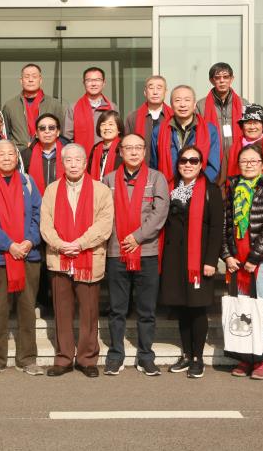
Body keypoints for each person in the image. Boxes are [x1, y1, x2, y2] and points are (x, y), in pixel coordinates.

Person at [40, 144, 113, 378]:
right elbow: (45, 224)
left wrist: (80, 243)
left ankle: (87, 358)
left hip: (88, 258)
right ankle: (63, 358)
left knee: (89, 312)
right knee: (62, 312)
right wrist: (61, 244)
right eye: (68, 160)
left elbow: (104, 224)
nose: (73, 164)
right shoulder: (51, 190)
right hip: (59, 258)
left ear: (85, 163)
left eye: (77, 160)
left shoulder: (101, 190)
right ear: (62, 163)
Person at [101, 133, 169, 377]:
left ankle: (146, 355)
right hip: (116, 251)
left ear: (144, 151)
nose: (133, 152)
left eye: (138, 147)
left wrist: (137, 237)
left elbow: (160, 213)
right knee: (117, 308)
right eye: (128, 148)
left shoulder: (156, 178)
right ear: (120, 152)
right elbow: (103, 213)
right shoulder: (109, 179)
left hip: (146, 251)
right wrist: (123, 239)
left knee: (146, 309)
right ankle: (116, 355)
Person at [0, 140, 43, 377]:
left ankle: (28, 359)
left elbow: (38, 216)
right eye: (1, 154)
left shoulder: (28, 183)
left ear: (17, 158)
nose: (6, 158)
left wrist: (29, 241)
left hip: (28, 256)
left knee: (27, 310)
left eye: (10, 154)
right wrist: (9, 245)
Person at [222, 144, 263, 380]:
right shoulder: (233, 188)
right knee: (242, 311)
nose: (248, 165)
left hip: (261, 261)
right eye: (244, 161)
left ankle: (260, 358)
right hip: (237, 261)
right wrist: (227, 256)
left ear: (262, 164)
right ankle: (244, 356)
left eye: (253, 161)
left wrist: (253, 258)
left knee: (261, 311)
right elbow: (226, 225)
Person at [159, 146, 223, 379]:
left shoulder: (211, 190)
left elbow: (216, 228)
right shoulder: (170, 188)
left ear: (201, 164)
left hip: (199, 259)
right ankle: (186, 355)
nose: (188, 164)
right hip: (174, 259)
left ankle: (198, 358)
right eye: (183, 161)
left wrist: (211, 260)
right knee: (182, 308)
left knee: (197, 309)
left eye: (193, 161)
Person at [20, 112, 67, 314]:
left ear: (58, 131)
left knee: (57, 255)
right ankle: (40, 300)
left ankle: (58, 300)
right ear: (36, 133)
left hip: (62, 212)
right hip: (35, 212)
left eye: (51, 128)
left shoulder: (67, 154)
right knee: (37, 258)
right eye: (42, 128)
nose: (47, 131)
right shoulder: (26, 155)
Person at [151, 85, 221, 184]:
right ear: (171, 105)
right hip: (167, 187)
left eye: (187, 100)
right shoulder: (159, 131)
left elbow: (213, 166)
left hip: (200, 187)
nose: (182, 105)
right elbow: (154, 166)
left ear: (194, 104)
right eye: (178, 100)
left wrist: (196, 186)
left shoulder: (210, 130)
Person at [2, 63, 64, 150]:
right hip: (19, 153)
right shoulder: (10, 105)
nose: (30, 80)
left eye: (34, 77)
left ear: (40, 80)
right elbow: (5, 134)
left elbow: (61, 133)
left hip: (46, 152)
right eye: (27, 77)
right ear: (21, 81)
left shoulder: (54, 104)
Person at [222, 104, 263, 182]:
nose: (252, 127)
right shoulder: (230, 151)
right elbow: (222, 182)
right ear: (242, 126)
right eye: (248, 123)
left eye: (256, 123)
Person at [64, 66, 117, 155]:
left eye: (97, 80)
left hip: (106, 157)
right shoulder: (73, 108)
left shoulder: (112, 107)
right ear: (84, 83)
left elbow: (117, 136)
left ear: (104, 83)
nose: (93, 84)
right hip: (81, 157)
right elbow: (67, 138)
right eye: (89, 80)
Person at [196, 62, 246, 156]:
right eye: (217, 78)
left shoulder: (243, 104)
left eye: (226, 77)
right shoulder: (201, 105)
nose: (222, 81)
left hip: (239, 156)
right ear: (211, 80)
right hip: (212, 156)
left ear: (232, 79)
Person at [124, 75, 171, 167]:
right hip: (140, 168)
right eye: (151, 88)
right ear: (145, 92)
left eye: (159, 88)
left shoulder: (173, 117)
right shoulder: (133, 117)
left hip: (168, 168)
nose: (155, 92)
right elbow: (126, 145)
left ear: (165, 92)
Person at [88, 110, 124, 180]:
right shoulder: (95, 148)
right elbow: (89, 172)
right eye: (103, 124)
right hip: (96, 186)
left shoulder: (123, 148)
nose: (106, 128)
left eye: (111, 124)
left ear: (119, 129)